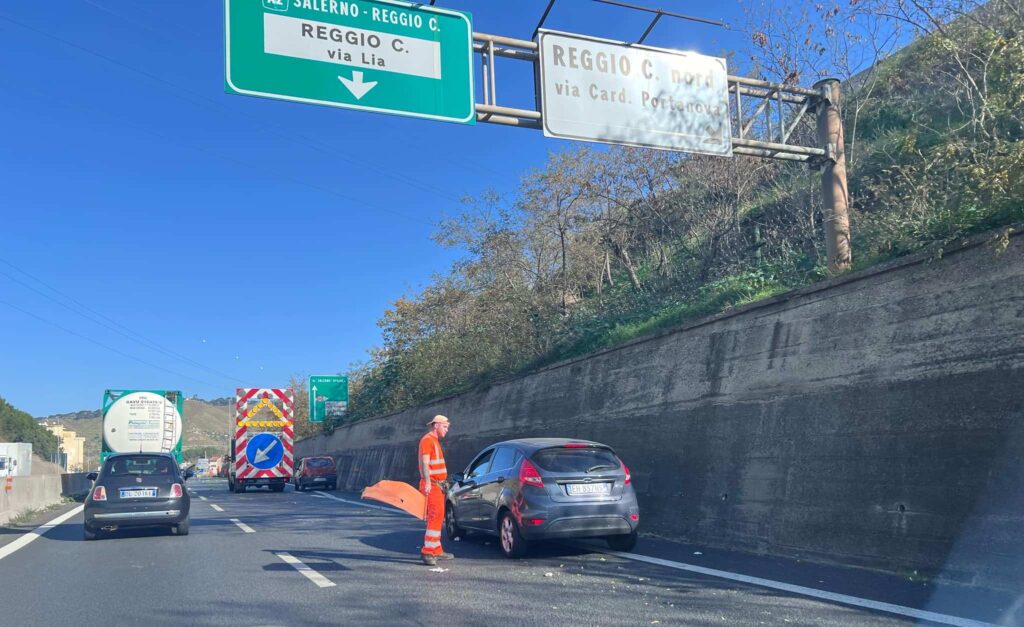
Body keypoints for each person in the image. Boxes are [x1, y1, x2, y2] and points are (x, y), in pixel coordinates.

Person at [419, 414, 454, 566]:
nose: (447, 430)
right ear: (436, 425)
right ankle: (428, 552)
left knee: (439, 517)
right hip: (432, 485)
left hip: (437, 485)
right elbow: (425, 464)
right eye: (445, 427)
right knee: (434, 517)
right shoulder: (428, 440)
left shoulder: (434, 441)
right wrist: (427, 482)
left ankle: (436, 549)